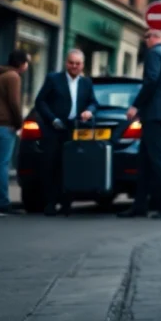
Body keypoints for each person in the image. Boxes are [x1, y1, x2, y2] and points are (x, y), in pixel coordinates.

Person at [120, 29, 161, 219]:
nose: (145, 40)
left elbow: (151, 81)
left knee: (157, 157)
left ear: (156, 38)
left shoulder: (154, 54)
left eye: (147, 37)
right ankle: (139, 205)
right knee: (144, 160)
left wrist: (136, 106)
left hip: (154, 114)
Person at [33, 49, 98, 216]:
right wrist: (52, 119)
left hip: (74, 129)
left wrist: (89, 111)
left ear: (82, 65)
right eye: (71, 63)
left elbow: (93, 102)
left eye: (77, 64)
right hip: (54, 128)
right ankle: (50, 203)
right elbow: (40, 101)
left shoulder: (86, 83)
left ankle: (66, 203)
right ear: (66, 63)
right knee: (51, 165)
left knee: (70, 165)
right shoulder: (53, 79)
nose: (74, 66)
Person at [0, 50, 30, 216]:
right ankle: (1, 204)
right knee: (2, 165)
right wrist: (19, 124)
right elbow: (14, 103)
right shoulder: (13, 77)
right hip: (4, 126)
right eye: (27, 62)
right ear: (22, 64)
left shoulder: (0, 75)